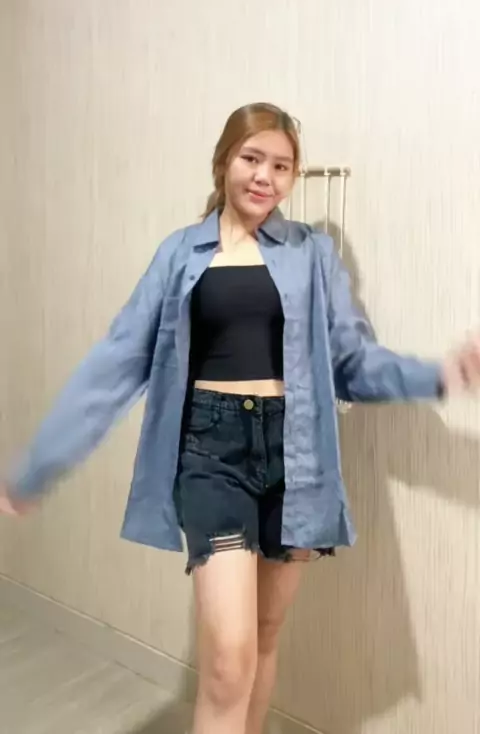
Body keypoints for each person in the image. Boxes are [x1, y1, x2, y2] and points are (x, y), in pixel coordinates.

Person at [1, 101, 480, 734]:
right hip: (211, 452)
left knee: (264, 634)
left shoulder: (311, 254)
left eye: (281, 166)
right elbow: (115, 363)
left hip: (297, 456)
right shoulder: (180, 254)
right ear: (225, 160)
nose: (264, 176)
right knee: (228, 660)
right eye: (252, 158)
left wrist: (442, 375)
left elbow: (354, 362)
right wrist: (39, 466)